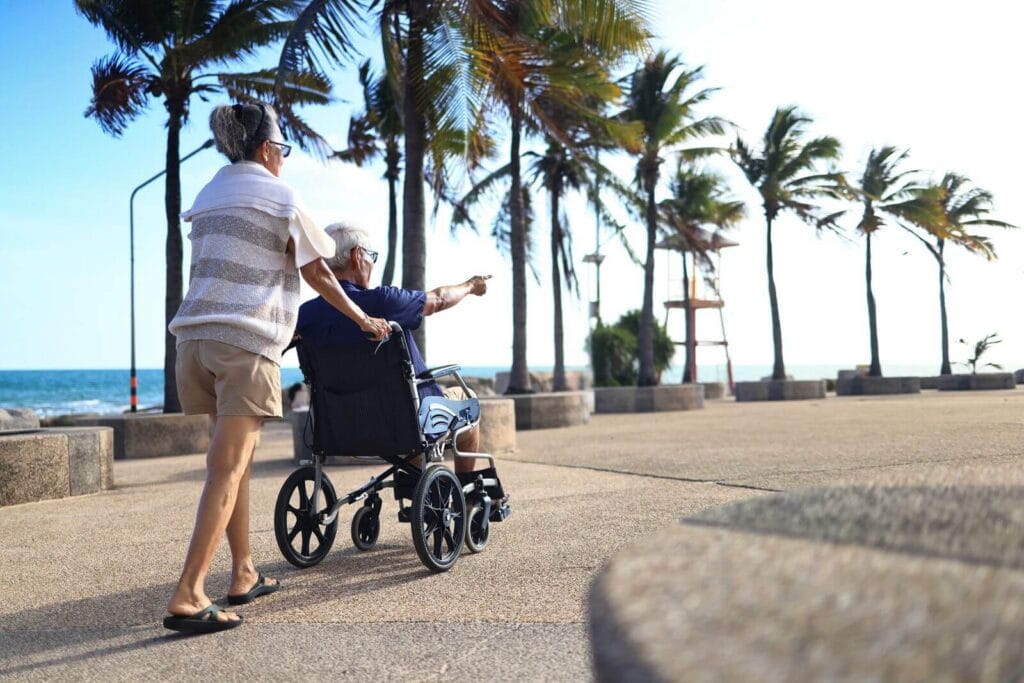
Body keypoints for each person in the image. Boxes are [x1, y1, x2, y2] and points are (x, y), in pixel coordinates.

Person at [163, 103, 390, 634]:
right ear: (267, 149)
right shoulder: (281, 196)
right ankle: (189, 594)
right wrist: (362, 319)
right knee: (226, 467)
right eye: (283, 149)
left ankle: (243, 571)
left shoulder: (209, 192)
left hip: (192, 343)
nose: (284, 160)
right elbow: (320, 272)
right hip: (243, 344)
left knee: (231, 464)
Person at [296, 224, 489, 471]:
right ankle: (467, 494)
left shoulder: (306, 315)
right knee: (466, 398)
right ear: (357, 256)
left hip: (342, 428)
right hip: (405, 421)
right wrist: (471, 286)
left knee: (402, 414)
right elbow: (439, 299)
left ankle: (418, 486)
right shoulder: (385, 302)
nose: (372, 264)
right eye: (371, 256)